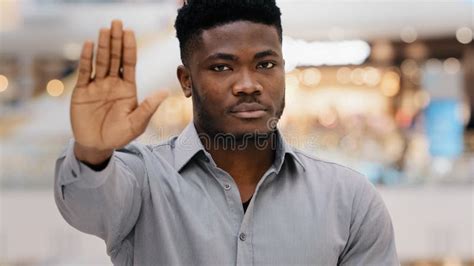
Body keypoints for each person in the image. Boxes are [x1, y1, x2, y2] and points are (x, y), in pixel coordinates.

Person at [54, 0, 399, 265]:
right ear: (186, 80)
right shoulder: (143, 182)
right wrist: (93, 152)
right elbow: (87, 205)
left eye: (265, 65)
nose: (248, 85)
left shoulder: (349, 199)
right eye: (222, 67)